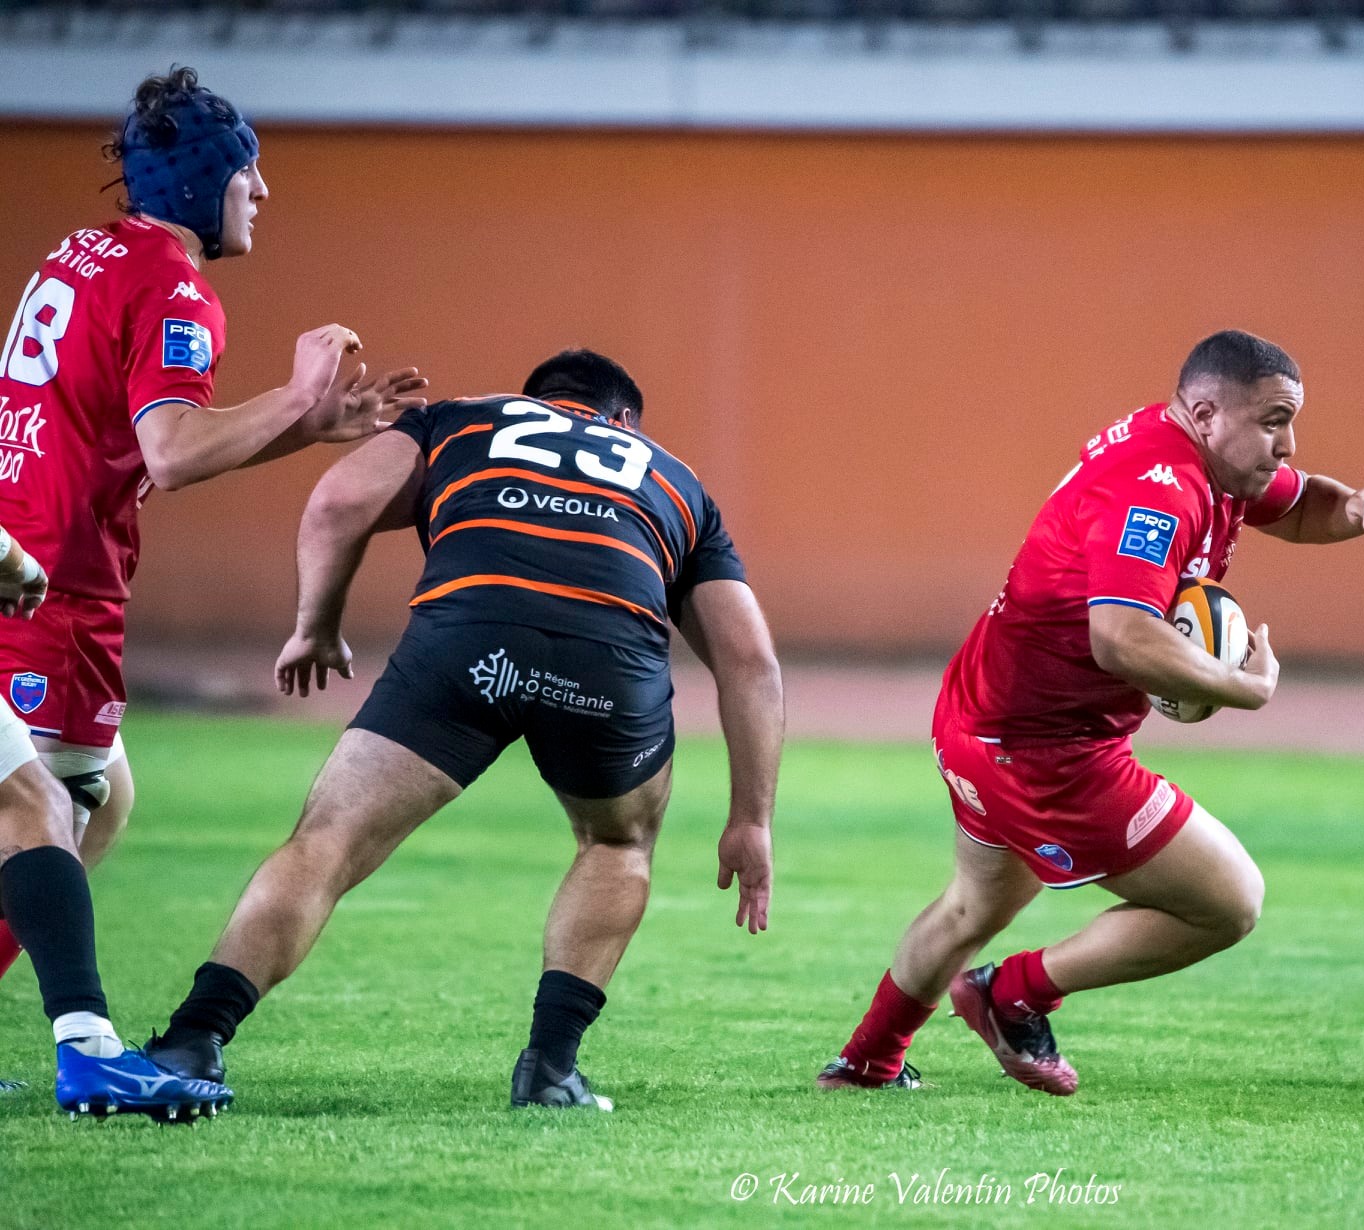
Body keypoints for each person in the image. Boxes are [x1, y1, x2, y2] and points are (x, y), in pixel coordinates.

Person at [144, 349, 783, 1110]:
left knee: (329, 839)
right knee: (616, 843)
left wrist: (316, 627)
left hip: (467, 635)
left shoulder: (460, 419)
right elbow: (749, 661)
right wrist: (751, 819)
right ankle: (549, 1070)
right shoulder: (676, 481)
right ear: (624, 423)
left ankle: (195, 1037)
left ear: (536, 400)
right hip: (605, 662)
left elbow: (338, 503)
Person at [818, 330, 1364, 1094]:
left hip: (984, 716)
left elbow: (1298, 508)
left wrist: (1358, 507)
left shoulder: (1203, 457)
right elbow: (1121, 637)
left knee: (973, 905)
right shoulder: (1158, 487)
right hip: (1043, 751)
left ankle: (866, 1065)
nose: (1289, 443)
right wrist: (1242, 688)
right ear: (1205, 412)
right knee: (1229, 902)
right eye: (1273, 421)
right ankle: (1015, 993)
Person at [0, 67, 426, 986]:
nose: (262, 191)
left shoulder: (86, 252)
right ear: (200, 181)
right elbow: (175, 453)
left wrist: (306, 425)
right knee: (49, 810)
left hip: (25, 554)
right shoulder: (175, 290)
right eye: (247, 173)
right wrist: (299, 390)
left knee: (99, 802)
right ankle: (85, 1032)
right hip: (52, 587)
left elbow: (149, 444)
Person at [0, 522, 233, 1119]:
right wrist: (11, 556)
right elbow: (174, 454)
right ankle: (90, 1049)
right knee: (36, 805)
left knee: (95, 802)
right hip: (53, 613)